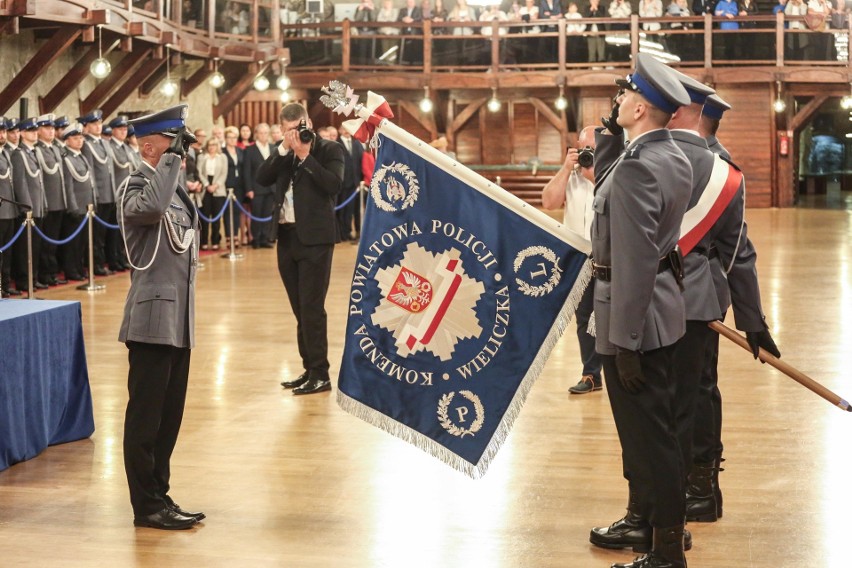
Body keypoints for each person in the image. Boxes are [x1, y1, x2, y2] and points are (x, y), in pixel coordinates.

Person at [587, 53, 693, 568]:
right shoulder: (671, 156)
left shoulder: (636, 169)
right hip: (663, 314)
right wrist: (611, 135)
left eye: (626, 96)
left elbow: (630, 262)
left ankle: (667, 552)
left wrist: (624, 342)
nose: (620, 100)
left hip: (631, 321)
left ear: (643, 109)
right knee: (659, 431)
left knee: (649, 442)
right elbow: (618, 186)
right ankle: (658, 538)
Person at [666, 71, 780, 527]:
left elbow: (736, 250)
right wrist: (752, 318)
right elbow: (738, 254)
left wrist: (754, 319)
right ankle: (702, 488)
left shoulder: (689, 162)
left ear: (690, 113)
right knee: (700, 391)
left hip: (677, 297)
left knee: (680, 394)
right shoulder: (721, 164)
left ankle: (691, 487)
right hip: (701, 297)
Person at [118, 103, 204, 530]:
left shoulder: (171, 187)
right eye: (173, 145)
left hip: (178, 323)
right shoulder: (136, 187)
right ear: (151, 147)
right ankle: (145, 506)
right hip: (151, 322)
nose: (180, 152)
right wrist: (170, 161)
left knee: (169, 418)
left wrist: (174, 161)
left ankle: (161, 496)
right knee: (145, 419)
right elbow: (151, 211)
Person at [256, 102, 344, 395]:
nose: (294, 136)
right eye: (287, 131)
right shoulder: (284, 154)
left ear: (306, 123)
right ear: (281, 130)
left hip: (316, 239)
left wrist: (306, 156)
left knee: (312, 308)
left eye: (297, 130)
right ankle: (309, 369)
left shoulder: (329, 149)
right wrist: (283, 149)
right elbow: (261, 178)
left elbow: (333, 184)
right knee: (299, 309)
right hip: (287, 237)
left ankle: (321, 373)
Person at [541, 126, 602, 394]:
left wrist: (593, 176)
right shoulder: (572, 175)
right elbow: (549, 202)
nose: (585, 152)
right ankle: (591, 374)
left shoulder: (610, 173)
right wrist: (566, 169)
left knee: (613, 317)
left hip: (609, 256)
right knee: (584, 318)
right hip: (579, 257)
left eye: (591, 147)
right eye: (582, 146)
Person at [79, 109, 119, 275]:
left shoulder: (104, 143)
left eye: (99, 123)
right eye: (94, 124)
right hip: (100, 195)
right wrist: (95, 195)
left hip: (110, 193)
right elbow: (91, 173)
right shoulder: (87, 145)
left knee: (106, 235)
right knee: (96, 235)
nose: (97, 126)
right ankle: (96, 265)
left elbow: (110, 171)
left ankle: (106, 262)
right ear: (86, 127)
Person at [10, 118, 45, 293]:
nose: (34, 133)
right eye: (31, 131)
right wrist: (26, 207)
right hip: (29, 209)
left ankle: (34, 277)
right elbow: (20, 183)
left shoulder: (33, 152)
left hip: (38, 206)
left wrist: (42, 204)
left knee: (36, 247)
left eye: (35, 130)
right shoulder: (19, 154)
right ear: (22, 133)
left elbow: (39, 182)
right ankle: (25, 280)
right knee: (25, 248)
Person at [34, 114, 69, 286]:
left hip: (59, 201)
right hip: (47, 201)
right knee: (45, 242)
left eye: (52, 128)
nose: (51, 131)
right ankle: (44, 274)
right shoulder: (37, 150)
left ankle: (52, 273)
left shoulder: (54, 149)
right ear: (39, 131)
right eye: (47, 128)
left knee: (53, 242)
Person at [58, 123, 92, 283]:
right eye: (75, 138)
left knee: (83, 243)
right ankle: (72, 270)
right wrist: (73, 206)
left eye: (80, 138)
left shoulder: (81, 156)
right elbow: (68, 185)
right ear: (67, 140)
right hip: (76, 206)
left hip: (87, 206)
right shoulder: (67, 159)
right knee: (73, 243)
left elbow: (88, 183)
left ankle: (79, 268)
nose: (79, 141)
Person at [243, 123, 276, 249]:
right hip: (256, 189)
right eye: (261, 133)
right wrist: (249, 189)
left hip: (271, 187)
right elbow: (246, 171)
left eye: (266, 133)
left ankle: (265, 238)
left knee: (268, 214)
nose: (263, 135)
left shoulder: (273, 148)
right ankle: (255, 239)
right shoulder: (250, 150)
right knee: (256, 214)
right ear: (256, 134)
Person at [198, 138, 228, 250]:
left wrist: (216, 185)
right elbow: (199, 172)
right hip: (205, 188)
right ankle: (204, 241)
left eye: (214, 145)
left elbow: (224, 173)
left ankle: (215, 241)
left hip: (218, 189)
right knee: (204, 217)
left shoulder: (222, 157)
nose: (212, 147)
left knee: (216, 218)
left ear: (217, 146)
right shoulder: (202, 157)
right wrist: (206, 185)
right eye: (210, 145)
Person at [222, 126, 244, 247]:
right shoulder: (222, 151)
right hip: (227, 184)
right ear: (226, 138)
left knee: (237, 211)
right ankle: (228, 237)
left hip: (239, 185)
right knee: (227, 212)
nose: (232, 140)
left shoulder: (240, 151)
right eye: (229, 137)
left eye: (234, 137)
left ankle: (236, 235)